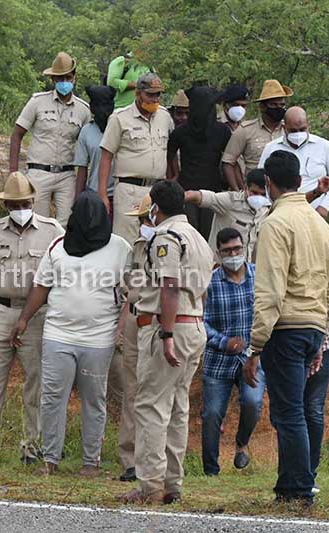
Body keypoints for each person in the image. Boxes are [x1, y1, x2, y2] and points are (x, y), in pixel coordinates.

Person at [11, 192, 132, 477]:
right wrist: (24, 319)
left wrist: (121, 328)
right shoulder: (58, 246)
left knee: (94, 399)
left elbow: (131, 294)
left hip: (99, 340)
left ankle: (91, 463)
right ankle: (50, 460)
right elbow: (41, 286)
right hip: (58, 336)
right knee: (52, 397)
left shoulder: (120, 248)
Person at [243, 150, 329, 506]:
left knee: (289, 411)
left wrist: (255, 345)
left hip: (286, 327)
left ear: (268, 184)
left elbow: (270, 290)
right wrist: (322, 326)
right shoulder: (320, 224)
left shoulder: (275, 224)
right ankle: (292, 483)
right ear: (300, 180)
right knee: (299, 409)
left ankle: (298, 488)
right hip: (314, 326)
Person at [120, 180, 215, 505]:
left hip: (168, 326)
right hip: (195, 325)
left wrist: (167, 334)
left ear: (156, 209)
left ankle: (151, 485)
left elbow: (170, 286)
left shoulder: (167, 237)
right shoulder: (198, 238)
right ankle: (172, 483)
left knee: (150, 407)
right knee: (177, 409)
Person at [0, 172, 64, 467]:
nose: (19, 208)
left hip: (36, 316)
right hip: (1, 310)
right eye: (13, 204)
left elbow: (61, 272)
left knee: (35, 384)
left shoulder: (52, 230)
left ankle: (31, 447)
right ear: (5, 205)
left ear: (33, 201)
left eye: (23, 202)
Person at [201, 228, 264, 476]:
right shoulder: (210, 282)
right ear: (219, 253)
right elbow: (200, 322)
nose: (234, 254)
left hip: (253, 357)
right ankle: (210, 471)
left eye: (237, 249)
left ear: (244, 247)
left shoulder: (260, 277)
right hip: (218, 361)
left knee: (253, 401)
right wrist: (224, 342)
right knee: (212, 413)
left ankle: (241, 443)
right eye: (227, 251)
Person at [10, 52, 91, 226]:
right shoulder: (37, 102)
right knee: (38, 223)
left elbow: (86, 145)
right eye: (59, 78)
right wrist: (13, 173)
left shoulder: (83, 110)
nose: (64, 82)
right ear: (53, 80)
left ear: (74, 77)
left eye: (67, 77)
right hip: (39, 172)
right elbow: (17, 134)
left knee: (67, 224)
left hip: (67, 174)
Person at [184, 169, 329, 262]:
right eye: (254, 192)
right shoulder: (229, 201)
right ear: (245, 187)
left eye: (263, 194)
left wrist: (317, 192)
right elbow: (197, 196)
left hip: (248, 274)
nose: (258, 197)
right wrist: (173, 200)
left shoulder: (268, 208)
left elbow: (293, 203)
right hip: (219, 269)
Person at [98, 72, 174, 245]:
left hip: (157, 190)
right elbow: (106, 156)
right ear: (138, 93)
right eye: (150, 94)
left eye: (158, 95)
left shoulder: (164, 116)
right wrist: (102, 193)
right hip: (130, 189)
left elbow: (170, 152)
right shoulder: (120, 118)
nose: (154, 99)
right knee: (127, 242)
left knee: (157, 241)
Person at [115, 193, 154, 482]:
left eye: (144, 219)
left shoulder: (175, 244)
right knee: (132, 390)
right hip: (133, 319)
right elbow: (126, 285)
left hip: (157, 321)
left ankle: (152, 458)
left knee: (157, 392)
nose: (142, 225)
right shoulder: (138, 248)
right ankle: (130, 459)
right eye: (140, 221)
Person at [258, 106, 329, 218]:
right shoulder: (271, 149)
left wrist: (325, 206)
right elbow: (260, 182)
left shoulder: (324, 146)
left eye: (302, 129)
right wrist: (269, 209)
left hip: (314, 216)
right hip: (280, 216)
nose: (298, 134)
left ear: (308, 125)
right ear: (284, 127)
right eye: (293, 131)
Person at [167, 86, 232, 240]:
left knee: (207, 235)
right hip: (188, 192)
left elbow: (229, 159)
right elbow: (169, 157)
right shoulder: (181, 133)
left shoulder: (222, 131)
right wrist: (173, 178)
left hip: (211, 193)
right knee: (191, 235)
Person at [306, 254, 329, 494]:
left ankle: (309, 473)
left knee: (312, 409)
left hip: (321, 343)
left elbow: (326, 308)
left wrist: (317, 344)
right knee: (290, 410)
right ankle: (293, 471)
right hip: (293, 342)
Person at [221, 79, 292, 191]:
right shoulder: (245, 130)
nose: (278, 108)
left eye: (282, 105)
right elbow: (228, 162)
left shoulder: (289, 131)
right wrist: (237, 191)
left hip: (283, 192)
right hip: (255, 192)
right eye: (273, 104)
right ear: (262, 107)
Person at [75, 85, 117, 214]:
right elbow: (82, 168)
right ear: (92, 107)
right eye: (98, 105)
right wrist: (78, 200)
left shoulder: (120, 127)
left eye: (106, 105)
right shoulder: (86, 131)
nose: (103, 110)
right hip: (95, 195)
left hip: (119, 195)